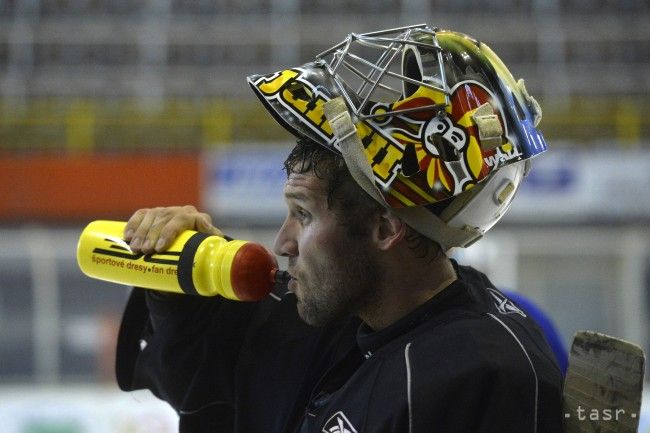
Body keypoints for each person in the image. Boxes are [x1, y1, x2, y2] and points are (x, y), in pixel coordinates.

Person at [115, 25, 563, 432]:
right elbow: (215, 371)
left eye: (304, 215)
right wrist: (179, 271)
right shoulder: (353, 307)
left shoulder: (478, 379)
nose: (282, 243)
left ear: (386, 227)